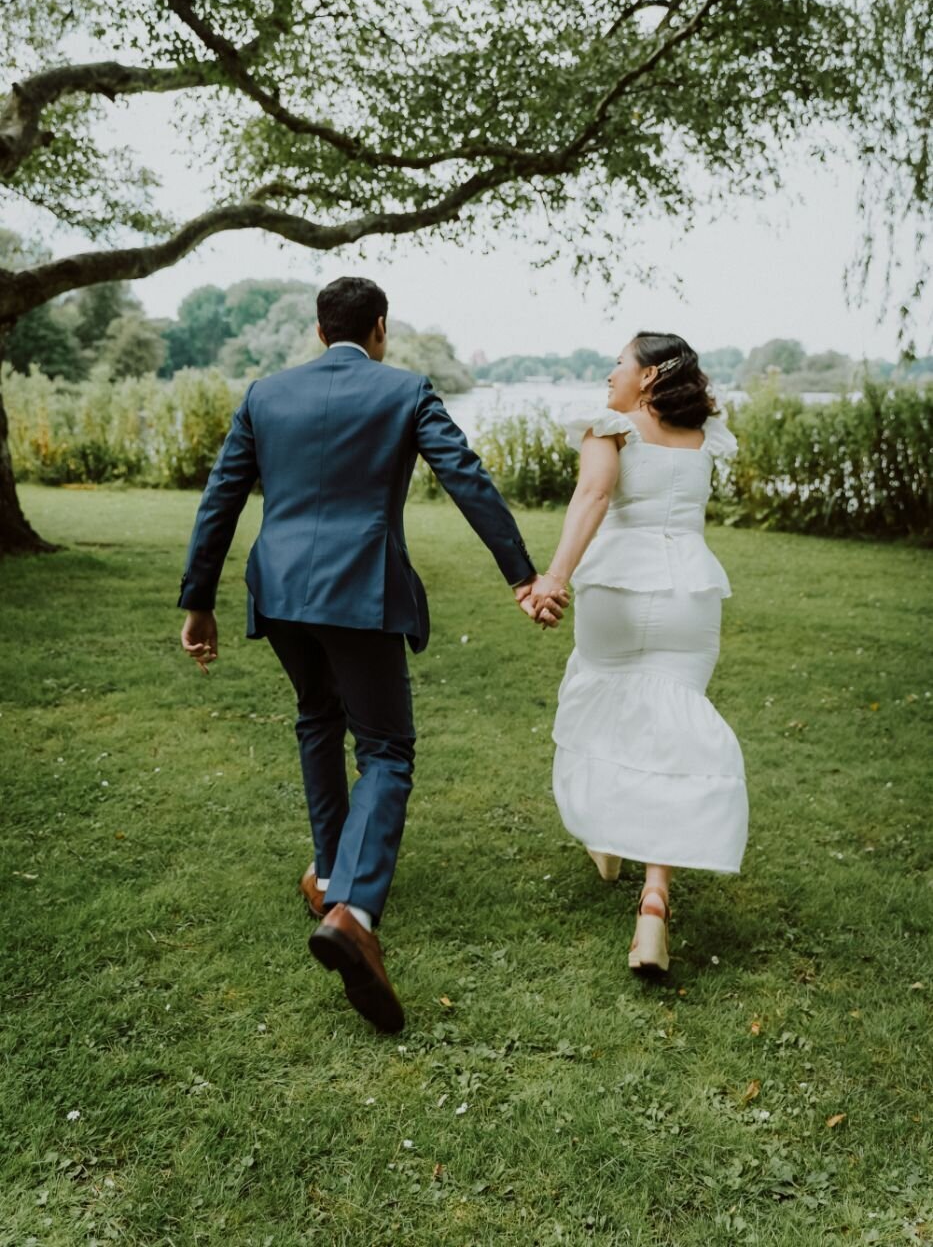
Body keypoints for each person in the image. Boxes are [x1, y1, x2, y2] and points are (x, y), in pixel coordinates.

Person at [177, 276, 568, 1033]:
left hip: (281, 588)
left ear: (321, 330)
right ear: (379, 328)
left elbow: (220, 498)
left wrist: (199, 601)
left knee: (317, 718)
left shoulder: (265, 394)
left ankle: (328, 874)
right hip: (359, 590)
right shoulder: (405, 390)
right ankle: (352, 909)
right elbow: (466, 478)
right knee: (386, 748)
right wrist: (519, 572)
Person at [525, 332, 748, 974]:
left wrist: (555, 578)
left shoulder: (610, 428)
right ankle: (654, 900)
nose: (609, 373)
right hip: (690, 596)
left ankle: (607, 836)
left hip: (617, 591)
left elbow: (593, 498)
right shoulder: (704, 434)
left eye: (619, 363)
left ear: (648, 377)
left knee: (600, 702)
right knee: (671, 727)